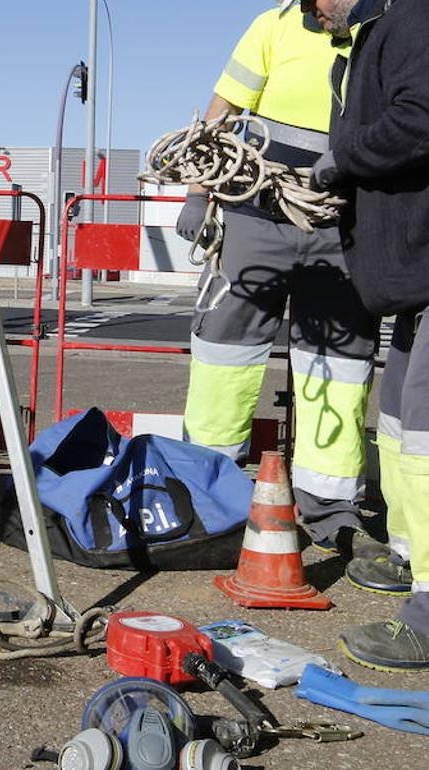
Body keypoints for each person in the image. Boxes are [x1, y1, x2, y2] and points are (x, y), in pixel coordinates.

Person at [176, 0, 390, 576]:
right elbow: (221, 112)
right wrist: (199, 193)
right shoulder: (272, 27)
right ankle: (206, 488)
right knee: (225, 346)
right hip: (256, 216)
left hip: (342, 226)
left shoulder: (384, 33)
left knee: (339, 366)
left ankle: (331, 511)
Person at [306, 0, 429, 671]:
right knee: (401, 423)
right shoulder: (383, 34)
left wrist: (343, 160)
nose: (314, 16)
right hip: (414, 276)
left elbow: (420, 119)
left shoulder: (413, 20)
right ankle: (412, 555)